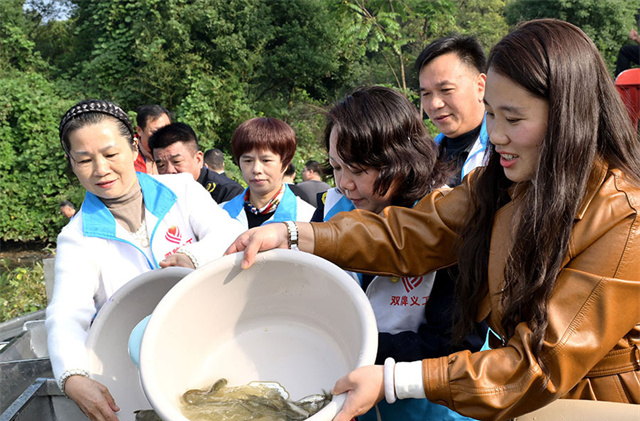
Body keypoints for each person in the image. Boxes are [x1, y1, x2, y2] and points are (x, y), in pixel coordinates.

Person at [227, 19, 640, 421]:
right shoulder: (500, 182)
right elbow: (414, 232)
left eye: (514, 119)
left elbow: (539, 364)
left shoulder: (625, 219)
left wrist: (394, 379)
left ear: (570, 115)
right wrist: (295, 234)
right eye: (491, 115)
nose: (495, 135)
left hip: (590, 400)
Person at [46, 99, 244, 421]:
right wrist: (73, 376)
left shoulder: (181, 190)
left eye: (111, 154)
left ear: (135, 146)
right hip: (142, 371)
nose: (101, 170)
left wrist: (193, 256)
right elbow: (67, 312)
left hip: (216, 341)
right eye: (84, 160)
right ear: (71, 162)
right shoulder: (77, 237)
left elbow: (228, 233)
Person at [312, 85, 484, 421]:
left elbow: (455, 343)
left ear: (401, 159)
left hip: (429, 408)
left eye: (359, 170)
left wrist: (355, 350)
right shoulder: (331, 209)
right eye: (336, 167)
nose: (345, 183)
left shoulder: (446, 219)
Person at [416, 35, 489, 186]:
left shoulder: (504, 148)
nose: (435, 104)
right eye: (426, 94)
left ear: (480, 86)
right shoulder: (423, 158)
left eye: (446, 90)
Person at [221, 117, 315, 229]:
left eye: (266, 160)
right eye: (248, 161)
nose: (256, 169)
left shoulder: (308, 219)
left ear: (285, 164)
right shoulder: (220, 215)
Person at [149, 122, 244, 204]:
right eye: (161, 165)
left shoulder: (227, 192)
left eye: (177, 162)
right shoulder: (156, 195)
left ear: (198, 159)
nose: (170, 171)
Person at [133, 104, 171, 174]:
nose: (163, 136)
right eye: (156, 132)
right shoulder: (128, 156)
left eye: (167, 130)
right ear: (139, 131)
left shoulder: (177, 151)